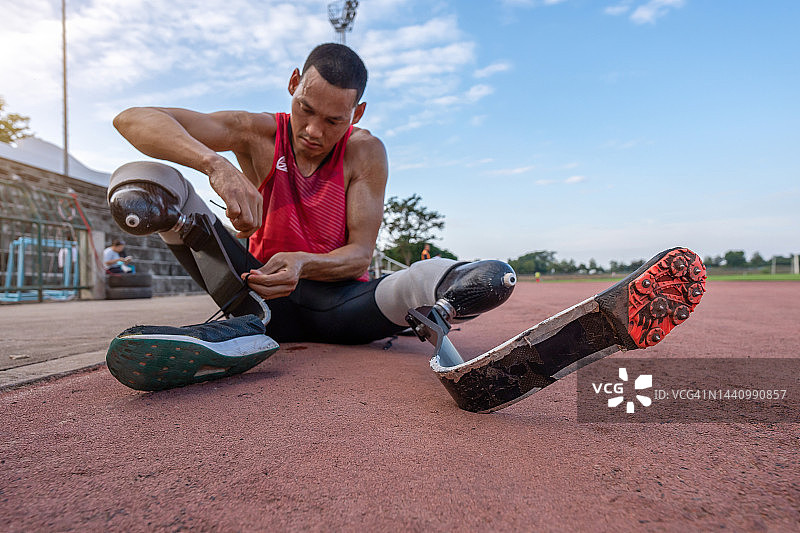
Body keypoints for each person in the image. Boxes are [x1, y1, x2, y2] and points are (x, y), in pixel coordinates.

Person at [105, 43, 516, 390]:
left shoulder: (365, 152)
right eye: (305, 109)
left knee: (470, 277)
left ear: (356, 114)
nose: (314, 131)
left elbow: (359, 254)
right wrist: (216, 165)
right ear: (292, 83)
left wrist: (302, 262)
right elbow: (131, 118)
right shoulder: (256, 132)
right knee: (147, 182)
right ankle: (244, 330)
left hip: (341, 308)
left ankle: (244, 337)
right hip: (255, 291)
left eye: (333, 120)